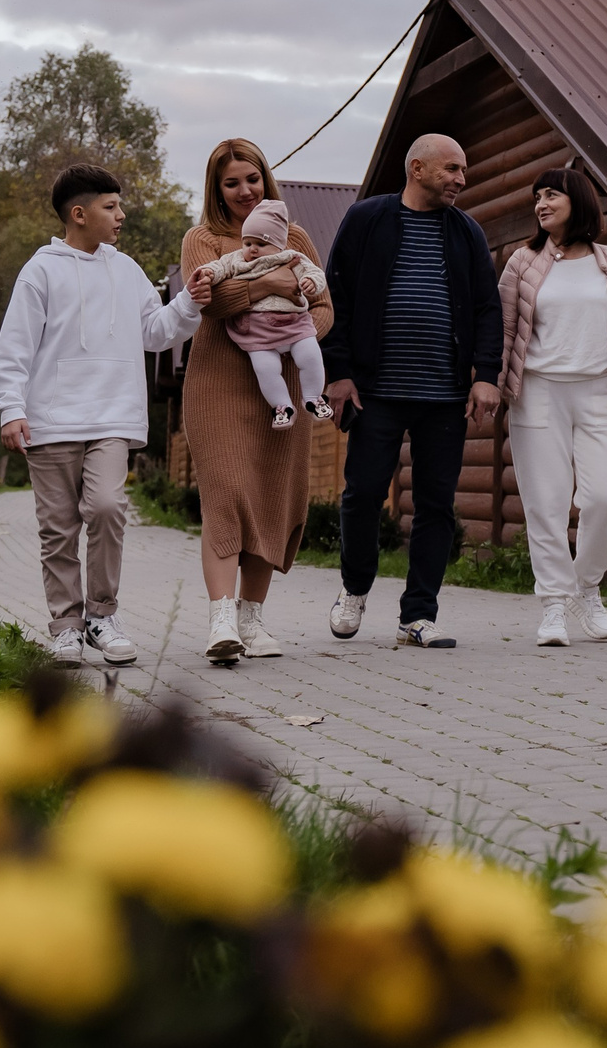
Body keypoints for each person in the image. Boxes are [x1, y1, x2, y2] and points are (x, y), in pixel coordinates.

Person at [0, 163, 210, 667]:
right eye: (111, 207)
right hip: (50, 421)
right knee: (58, 529)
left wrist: (188, 302)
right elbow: (15, 346)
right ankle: (66, 627)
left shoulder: (126, 270)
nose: (121, 215)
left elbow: (154, 332)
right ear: (79, 214)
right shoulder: (40, 270)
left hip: (113, 417)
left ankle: (102, 616)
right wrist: (11, 408)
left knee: (108, 508)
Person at [320, 132, 503, 648]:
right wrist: (339, 371)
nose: (461, 179)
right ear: (417, 169)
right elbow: (336, 298)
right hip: (375, 391)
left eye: (463, 170)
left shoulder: (466, 232)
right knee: (362, 494)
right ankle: (355, 588)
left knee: (436, 504)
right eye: (452, 169)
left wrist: (486, 375)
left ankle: (418, 615)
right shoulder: (367, 219)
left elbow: (487, 308)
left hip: (444, 395)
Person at [180, 140, 335, 663]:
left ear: (266, 178)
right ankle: (221, 619)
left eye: (252, 178)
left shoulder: (295, 237)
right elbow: (212, 302)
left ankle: (251, 619)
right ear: (216, 189)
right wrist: (269, 281)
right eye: (232, 183)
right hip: (218, 384)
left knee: (271, 493)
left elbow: (322, 305)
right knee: (226, 492)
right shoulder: (202, 239)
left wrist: (298, 337)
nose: (245, 190)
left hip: (283, 382)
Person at [496, 166, 607, 646]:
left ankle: (586, 587)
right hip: (538, 392)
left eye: (551, 195)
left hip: (601, 392)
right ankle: (553, 603)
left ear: (578, 201)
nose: (541, 204)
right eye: (537, 197)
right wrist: (487, 384)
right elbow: (503, 329)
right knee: (545, 503)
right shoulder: (522, 263)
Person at [195, 199, 332, 430]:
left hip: (294, 326)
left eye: (260, 243)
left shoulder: (291, 258)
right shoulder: (236, 259)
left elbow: (315, 273)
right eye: (247, 242)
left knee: (311, 357)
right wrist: (209, 272)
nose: (252, 249)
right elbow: (220, 267)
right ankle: (282, 407)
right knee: (265, 371)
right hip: (257, 333)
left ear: (278, 245)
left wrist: (310, 281)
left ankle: (313, 397)